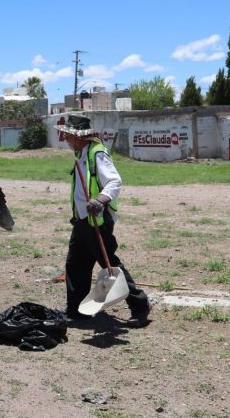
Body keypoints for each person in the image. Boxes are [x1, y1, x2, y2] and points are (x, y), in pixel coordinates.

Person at [55, 114, 151, 327]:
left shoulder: (97, 153)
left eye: (68, 135)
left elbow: (115, 181)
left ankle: (140, 306)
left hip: (97, 221)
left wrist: (100, 200)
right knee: (76, 264)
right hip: (82, 220)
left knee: (110, 265)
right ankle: (76, 310)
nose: (65, 138)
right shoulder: (80, 153)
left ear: (79, 136)